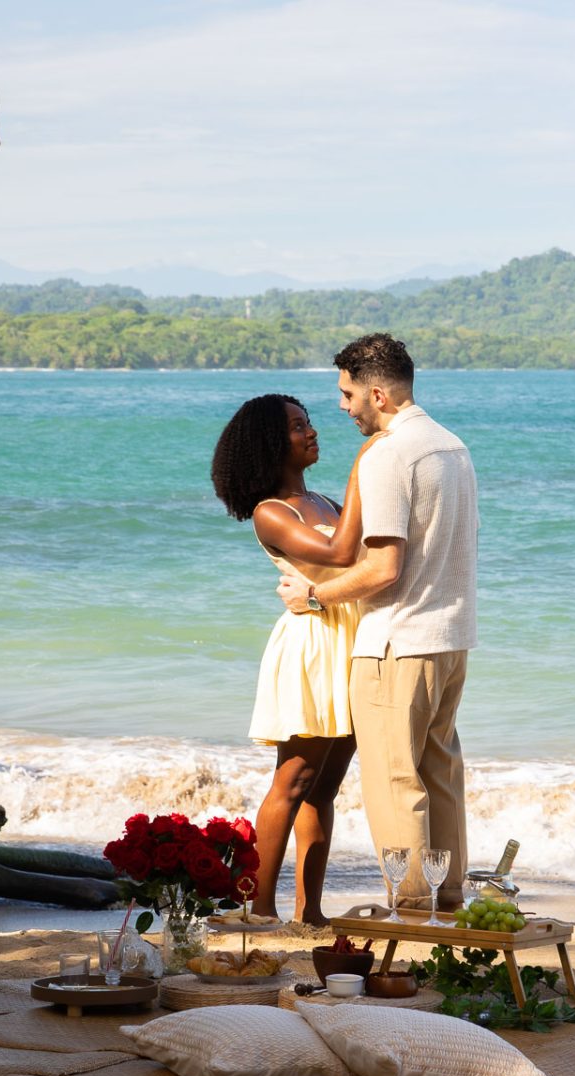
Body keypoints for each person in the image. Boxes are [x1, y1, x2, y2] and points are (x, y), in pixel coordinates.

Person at [278, 334, 478, 911]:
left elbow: (384, 567)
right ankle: (450, 902)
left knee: (395, 784)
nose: (342, 407)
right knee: (439, 776)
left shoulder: (390, 454)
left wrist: (315, 595)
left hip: (398, 641)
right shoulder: (452, 446)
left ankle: (412, 910)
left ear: (377, 393)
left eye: (346, 394)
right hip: (452, 640)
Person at [211, 393, 381, 926]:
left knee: (323, 789)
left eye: (307, 423)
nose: (312, 433)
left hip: (351, 638)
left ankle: (310, 912)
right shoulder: (271, 513)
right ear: (269, 444)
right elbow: (340, 555)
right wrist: (366, 464)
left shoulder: (328, 502)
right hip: (314, 645)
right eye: (297, 427)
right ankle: (258, 908)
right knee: (293, 780)